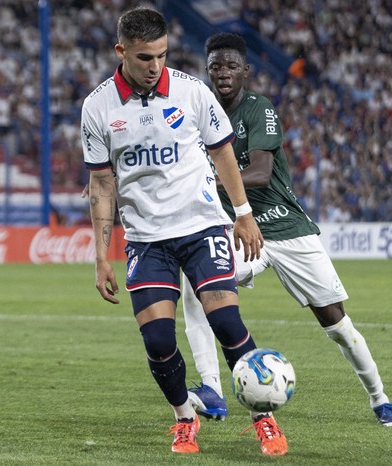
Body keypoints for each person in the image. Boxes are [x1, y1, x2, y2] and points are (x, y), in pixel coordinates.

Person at [81, 8, 287, 456]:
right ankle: (184, 418)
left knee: (227, 323)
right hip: (145, 237)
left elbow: (224, 154)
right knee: (157, 340)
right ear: (121, 52)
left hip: (201, 226)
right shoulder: (97, 107)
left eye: (161, 55)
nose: (155, 66)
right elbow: (100, 184)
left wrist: (243, 213)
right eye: (143, 58)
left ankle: (263, 418)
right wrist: (100, 256)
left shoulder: (192, 92)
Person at [182, 32, 392, 429]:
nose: (223, 73)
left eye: (232, 66)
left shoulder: (258, 108)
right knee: (198, 286)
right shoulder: (197, 110)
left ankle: (380, 398)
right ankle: (211, 386)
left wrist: (203, 179)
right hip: (234, 226)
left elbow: (260, 171)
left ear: (246, 72)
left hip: (285, 227)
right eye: (216, 66)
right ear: (207, 69)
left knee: (336, 322)